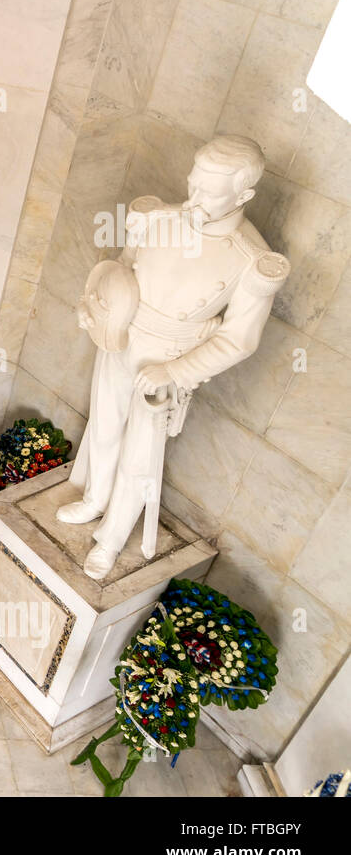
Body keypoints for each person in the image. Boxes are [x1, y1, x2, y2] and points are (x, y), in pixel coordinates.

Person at [57, 134, 289, 578]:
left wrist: (176, 370)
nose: (194, 197)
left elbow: (240, 340)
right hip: (122, 340)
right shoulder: (158, 218)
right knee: (104, 427)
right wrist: (98, 312)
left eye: (210, 191)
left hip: (168, 361)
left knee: (139, 455)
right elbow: (122, 273)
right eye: (194, 183)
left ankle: (110, 539)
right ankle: (93, 499)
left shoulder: (252, 261)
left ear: (244, 195)